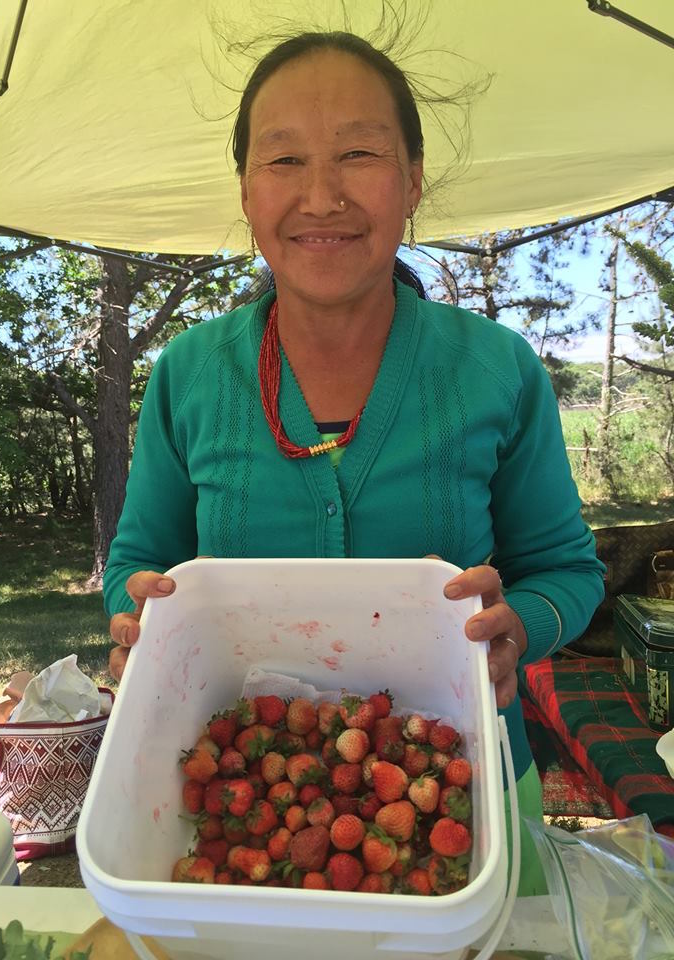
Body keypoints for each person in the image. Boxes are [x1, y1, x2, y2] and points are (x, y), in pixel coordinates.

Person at [103, 31, 605, 896]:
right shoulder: (190, 375)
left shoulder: (497, 370)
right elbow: (135, 567)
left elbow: (566, 571)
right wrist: (137, 622)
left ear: (412, 179)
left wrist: (518, 627)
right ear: (248, 191)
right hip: (245, 815)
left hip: (466, 809)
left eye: (360, 154)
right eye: (285, 159)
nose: (322, 195)